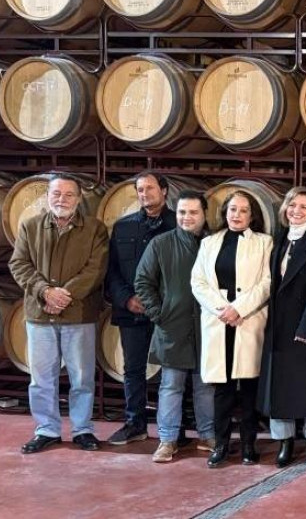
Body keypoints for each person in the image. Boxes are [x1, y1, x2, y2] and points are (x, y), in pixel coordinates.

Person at [9, 173, 110, 454]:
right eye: (56, 194)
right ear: (47, 196)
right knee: (41, 378)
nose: (61, 199)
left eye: (68, 195)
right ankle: (46, 429)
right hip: (40, 314)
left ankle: (82, 429)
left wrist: (64, 295)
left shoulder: (94, 229)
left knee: (81, 378)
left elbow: (95, 269)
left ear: (78, 199)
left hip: (78, 314)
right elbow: (19, 264)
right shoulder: (30, 226)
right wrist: (44, 292)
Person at [191, 190, 273, 468]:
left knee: (249, 388)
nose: (236, 215)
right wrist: (222, 309)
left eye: (243, 210)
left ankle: (250, 444)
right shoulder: (209, 243)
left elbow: (266, 282)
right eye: (232, 209)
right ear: (225, 212)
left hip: (247, 320)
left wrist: (239, 308)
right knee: (222, 391)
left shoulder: (264, 243)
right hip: (219, 321)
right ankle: (221, 445)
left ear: (252, 215)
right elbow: (198, 282)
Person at [134, 190, 217, 463]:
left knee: (205, 387)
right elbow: (143, 282)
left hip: (207, 327)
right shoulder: (161, 244)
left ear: (204, 215)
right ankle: (167, 440)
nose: (186, 217)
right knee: (171, 386)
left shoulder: (213, 243)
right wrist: (160, 314)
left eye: (193, 212)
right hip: (173, 327)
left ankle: (208, 435)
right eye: (182, 212)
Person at [257, 187, 306, 468]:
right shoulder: (278, 241)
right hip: (278, 326)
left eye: (303, 206)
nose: (297, 211)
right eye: (292, 205)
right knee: (279, 387)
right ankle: (285, 443)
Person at [104, 171, 176, 446]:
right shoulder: (123, 227)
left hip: (167, 313)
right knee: (133, 369)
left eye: (150, 188)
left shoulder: (177, 224)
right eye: (140, 189)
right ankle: (135, 424)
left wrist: (159, 302)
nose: (145, 194)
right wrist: (126, 299)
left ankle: (172, 429)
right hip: (131, 310)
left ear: (165, 191)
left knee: (172, 370)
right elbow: (112, 271)